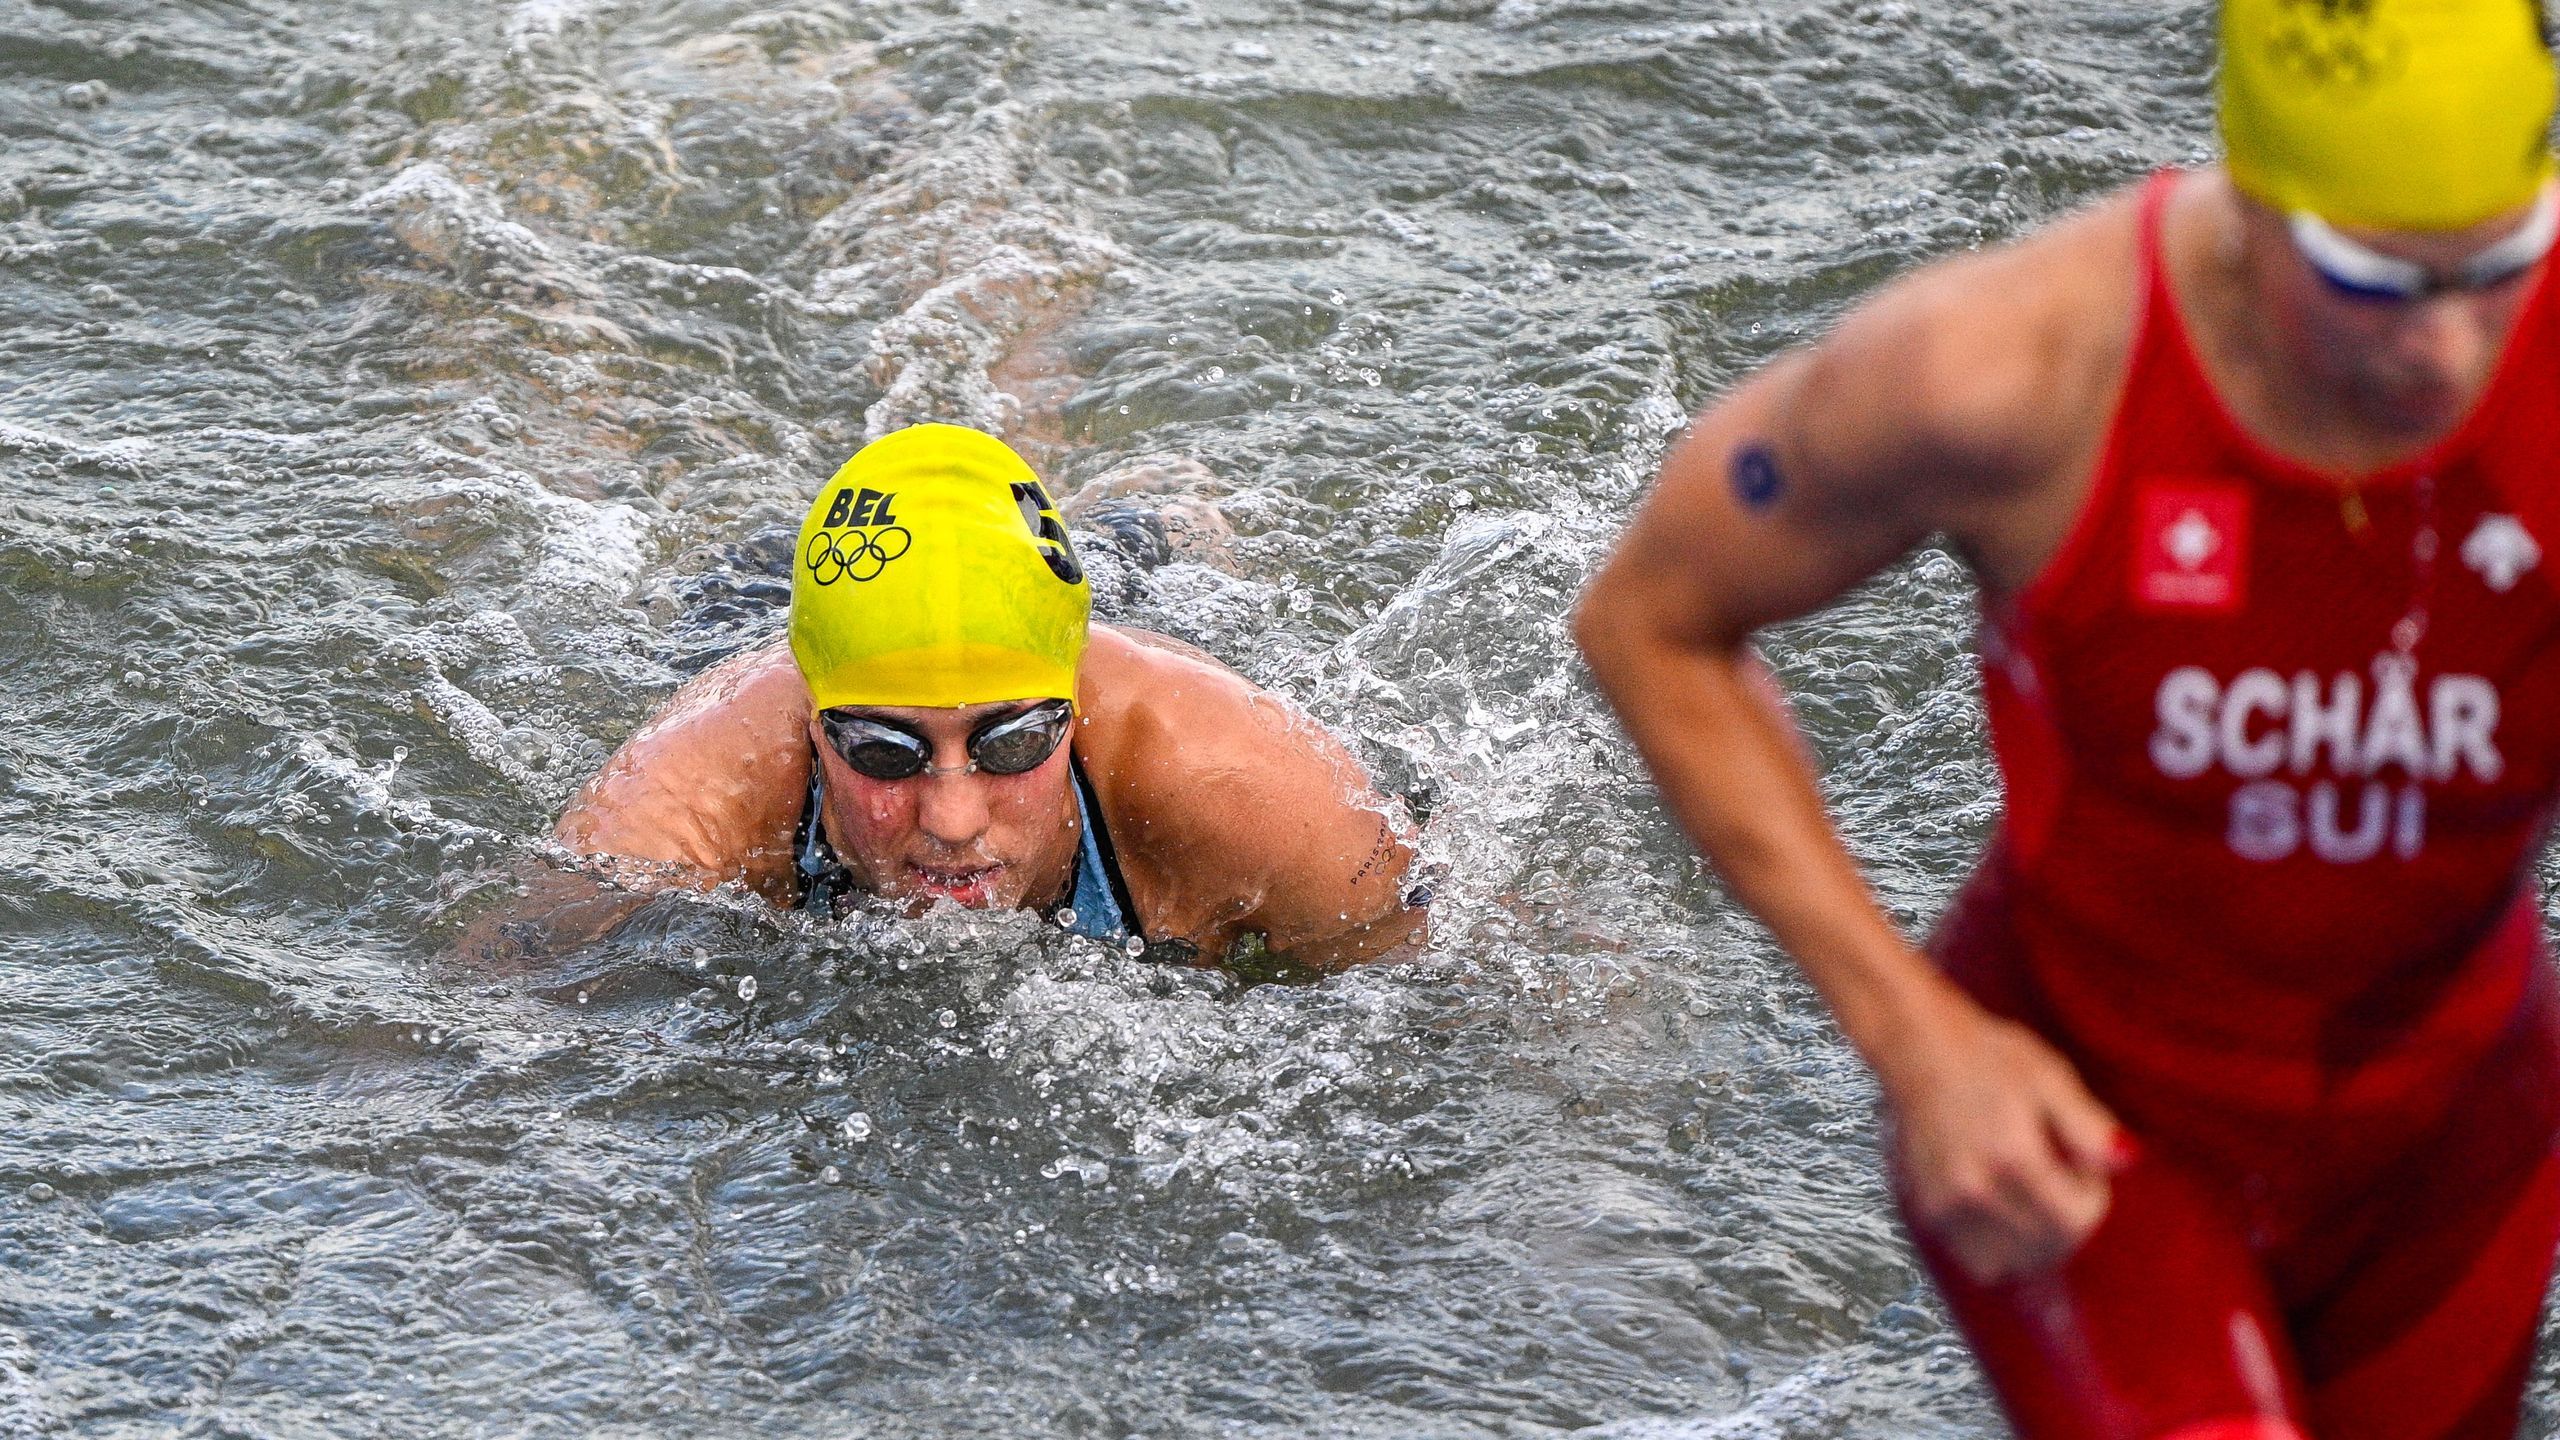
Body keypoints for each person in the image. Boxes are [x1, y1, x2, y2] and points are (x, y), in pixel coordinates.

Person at [1574, 1, 2560, 1435]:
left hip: (2455, 1152)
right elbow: (1650, 619)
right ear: (2256, 196)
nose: (2450, 352)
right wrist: (1917, 1045)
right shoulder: (2008, 370)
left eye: (2501, 266)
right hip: (2083, 1139)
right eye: (2376, 282)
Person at [545, 422, 1427, 972]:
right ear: (811, 730)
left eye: (1011, 742)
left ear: (1073, 709)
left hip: (1104, 598)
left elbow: (1461, 989)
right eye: (884, 752)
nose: (955, 818)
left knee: (1183, 519)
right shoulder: (686, 803)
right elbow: (489, 1014)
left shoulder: (1238, 779)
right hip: (752, 602)